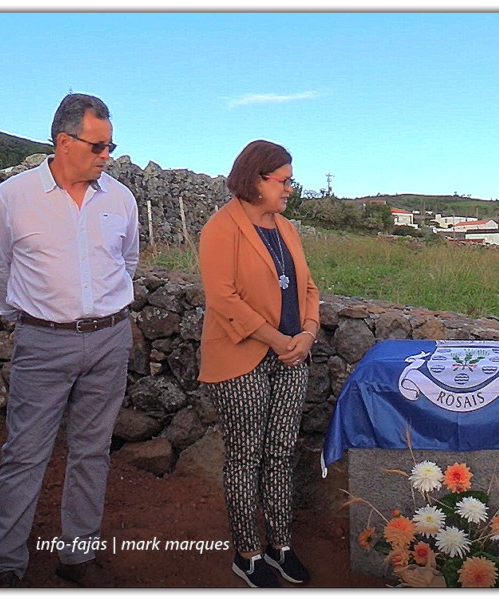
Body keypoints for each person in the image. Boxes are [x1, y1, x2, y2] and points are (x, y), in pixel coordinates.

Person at [0, 93, 138, 588]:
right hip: (43, 343)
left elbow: (127, 263)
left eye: (111, 146)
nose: (106, 156)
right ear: (64, 142)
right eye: (98, 146)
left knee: (92, 451)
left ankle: (77, 557)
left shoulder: (121, 199)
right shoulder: (14, 197)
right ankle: (5, 566)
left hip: (110, 339)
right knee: (25, 453)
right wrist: (27, 318)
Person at [198, 139, 320, 588]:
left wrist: (305, 335)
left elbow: (308, 287)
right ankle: (247, 553)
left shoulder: (286, 228)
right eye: (284, 181)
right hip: (241, 358)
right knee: (245, 457)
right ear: (256, 180)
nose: (290, 189)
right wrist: (279, 339)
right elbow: (222, 298)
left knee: (280, 454)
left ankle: (280, 545)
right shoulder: (221, 228)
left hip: (291, 356)